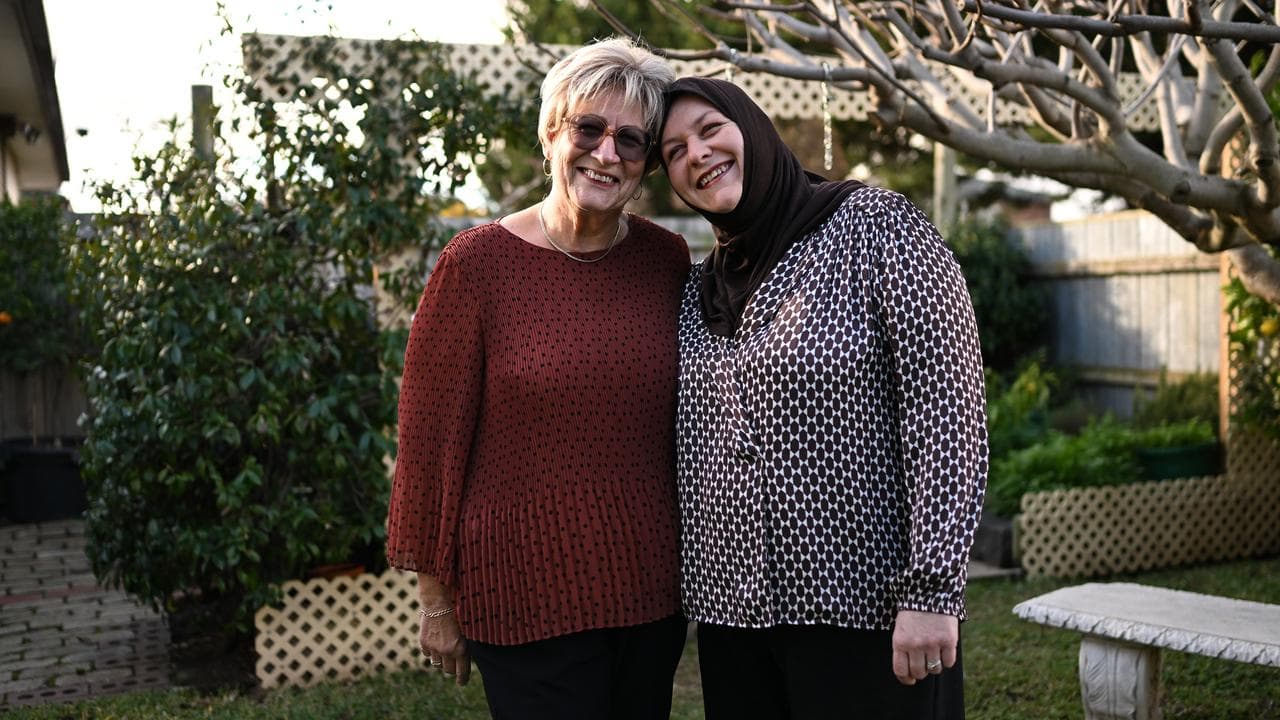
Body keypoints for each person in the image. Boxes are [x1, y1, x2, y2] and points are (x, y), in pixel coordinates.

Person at [659, 77, 987, 719]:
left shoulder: (876, 227)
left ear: (751, 128)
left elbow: (947, 411)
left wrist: (932, 589)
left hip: (865, 612)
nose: (695, 154)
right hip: (736, 622)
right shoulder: (700, 287)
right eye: (672, 151)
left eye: (708, 130)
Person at [385, 38, 689, 720]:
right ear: (553, 133)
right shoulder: (476, 265)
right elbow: (430, 446)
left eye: (632, 141)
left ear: (646, 166)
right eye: (590, 129)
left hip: (648, 599)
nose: (607, 154)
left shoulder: (665, 260)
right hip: (520, 597)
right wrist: (435, 603)